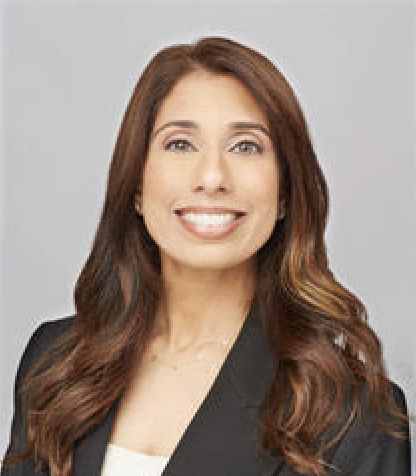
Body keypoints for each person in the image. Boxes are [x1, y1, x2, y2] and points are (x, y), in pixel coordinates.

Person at [1, 36, 411, 476]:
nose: (212, 177)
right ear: (137, 185)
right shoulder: (56, 362)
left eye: (246, 146)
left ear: (285, 193)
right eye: (180, 144)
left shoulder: (353, 416)